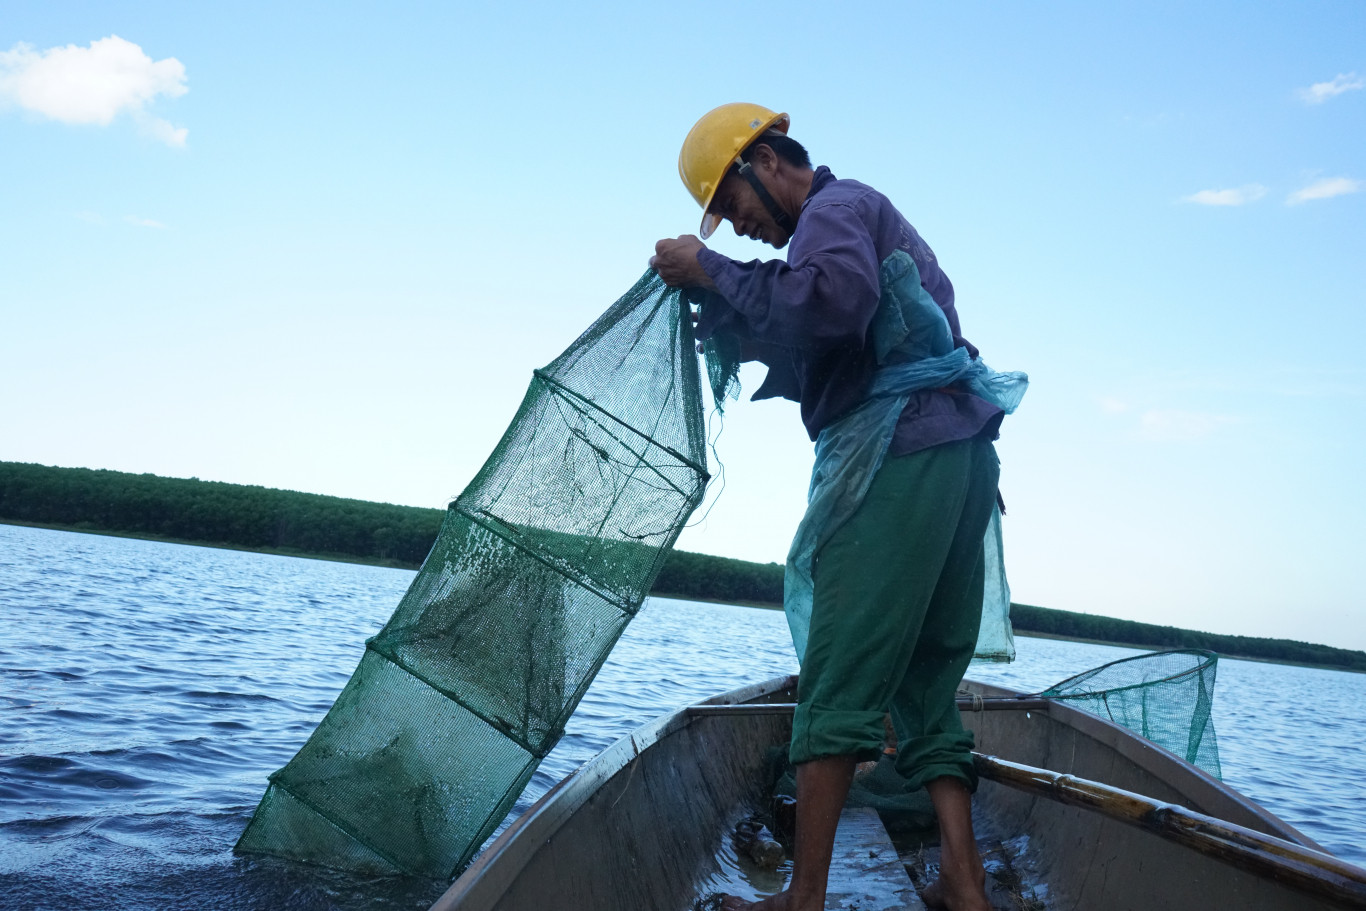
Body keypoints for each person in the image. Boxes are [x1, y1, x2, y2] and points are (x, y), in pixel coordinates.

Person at [650, 103, 1013, 911]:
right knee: (925, 678)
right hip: (961, 462)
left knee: (841, 672)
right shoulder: (852, 219)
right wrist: (733, 316)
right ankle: (964, 877)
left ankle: (803, 897)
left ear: (767, 163)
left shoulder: (832, 210)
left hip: (900, 458)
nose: (740, 229)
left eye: (736, 207)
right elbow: (826, 332)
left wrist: (709, 267)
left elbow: (828, 304)